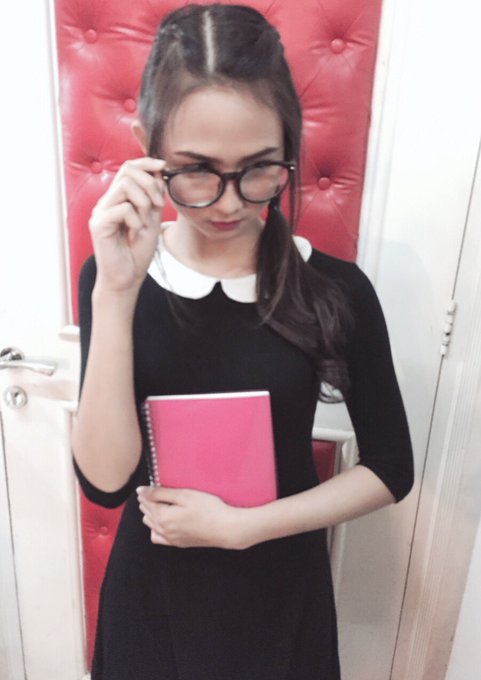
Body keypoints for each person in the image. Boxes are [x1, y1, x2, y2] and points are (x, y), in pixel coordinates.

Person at [71, 4, 414, 679]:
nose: (229, 203)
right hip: (153, 593)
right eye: (196, 169)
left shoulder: (333, 287)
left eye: (258, 168)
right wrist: (115, 292)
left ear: (288, 144)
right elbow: (106, 483)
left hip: (278, 586)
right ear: (147, 146)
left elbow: (389, 467)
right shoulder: (113, 277)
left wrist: (242, 526)